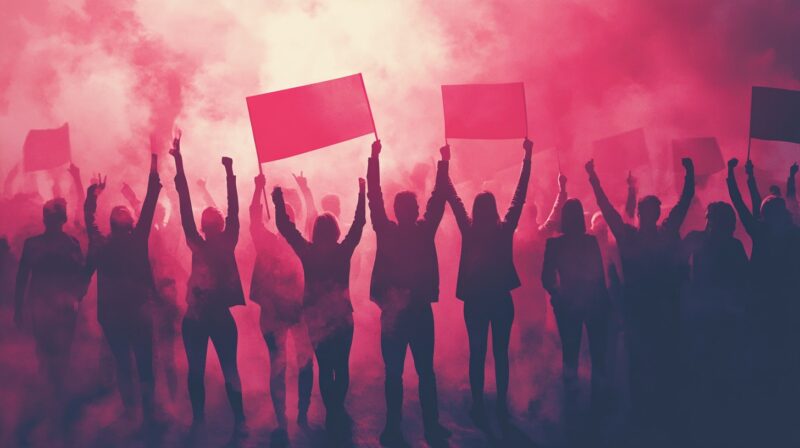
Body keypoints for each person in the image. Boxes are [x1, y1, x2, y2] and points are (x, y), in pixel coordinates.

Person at [586, 157, 694, 441]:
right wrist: (689, 174)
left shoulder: (632, 236)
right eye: (654, 209)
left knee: (644, 360)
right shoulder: (660, 233)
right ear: (655, 213)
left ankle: (643, 411)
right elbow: (683, 204)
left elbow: (608, 211)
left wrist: (593, 178)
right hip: (656, 307)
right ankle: (654, 412)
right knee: (656, 358)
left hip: (644, 307)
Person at [366, 139, 452, 446]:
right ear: (415, 210)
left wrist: (373, 159)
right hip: (417, 311)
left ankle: (393, 427)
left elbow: (373, 198)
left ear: (396, 210)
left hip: (394, 313)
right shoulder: (423, 229)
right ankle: (431, 426)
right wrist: (443, 164)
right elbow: (439, 199)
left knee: (394, 373)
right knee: (425, 372)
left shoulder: (386, 231)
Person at [446, 139, 532, 426]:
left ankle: (478, 405)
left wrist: (444, 166)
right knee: (501, 353)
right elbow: (519, 198)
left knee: (477, 353)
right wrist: (527, 160)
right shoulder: (504, 229)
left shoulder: (470, 231)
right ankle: (501, 406)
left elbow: (455, 202)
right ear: (494, 209)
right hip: (500, 300)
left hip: (475, 301)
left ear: (476, 209)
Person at [272, 177, 365, 435]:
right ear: (335, 230)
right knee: (341, 365)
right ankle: (337, 408)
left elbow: (285, 227)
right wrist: (362, 192)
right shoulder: (343, 250)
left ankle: (332, 412)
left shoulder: (308, 251)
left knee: (325, 367)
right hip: (343, 317)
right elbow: (359, 225)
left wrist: (277, 198)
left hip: (316, 319)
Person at [170, 134, 248, 438]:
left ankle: (206, 420)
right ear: (216, 223)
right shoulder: (225, 241)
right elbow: (227, 209)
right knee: (223, 368)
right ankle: (233, 419)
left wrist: (179, 160)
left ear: (204, 225)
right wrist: (228, 173)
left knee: (200, 370)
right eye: (213, 214)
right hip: (207, 316)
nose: (212, 214)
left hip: (199, 316)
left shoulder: (203, 243)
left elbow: (186, 204)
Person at [84, 154, 162, 427]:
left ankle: (139, 412)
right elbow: (151, 201)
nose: (123, 211)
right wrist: (154, 161)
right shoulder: (131, 240)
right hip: (131, 313)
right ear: (129, 222)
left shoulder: (104, 243)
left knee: (129, 365)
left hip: (117, 314)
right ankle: (141, 412)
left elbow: (89, 219)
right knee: (139, 364)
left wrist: (92, 195)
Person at [726, 158, 800, 445]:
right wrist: (740, 177)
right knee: (782, 351)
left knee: (767, 351)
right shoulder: (793, 235)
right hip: (784, 303)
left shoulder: (764, 231)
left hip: (767, 303)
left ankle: (768, 400)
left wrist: (734, 176)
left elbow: (742, 206)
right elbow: (747, 205)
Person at [250, 173, 313, 439]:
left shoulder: (300, 243)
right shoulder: (270, 242)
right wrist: (257, 190)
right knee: (284, 365)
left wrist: (305, 190)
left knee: (300, 363)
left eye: (287, 214)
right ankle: (286, 418)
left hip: (297, 312)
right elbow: (253, 219)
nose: (286, 218)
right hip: (279, 313)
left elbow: (313, 216)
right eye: (282, 215)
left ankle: (297, 415)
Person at [681, 201, 749, 446]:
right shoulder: (698, 239)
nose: (710, 223)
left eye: (714, 219)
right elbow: (676, 264)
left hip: (722, 315)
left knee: (718, 368)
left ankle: (717, 420)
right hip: (704, 314)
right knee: (704, 368)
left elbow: (744, 279)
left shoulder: (731, 245)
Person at [541, 198, 610, 436]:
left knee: (571, 355)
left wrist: (558, 295)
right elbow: (599, 276)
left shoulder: (555, 245)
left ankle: (574, 406)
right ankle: (596, 406)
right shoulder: (588, 242)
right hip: (589, 303)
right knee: (596, 354)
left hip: (573, 304)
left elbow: (546, 278)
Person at [14, 197, 87, 408]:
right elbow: (22, 278)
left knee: (53, 351)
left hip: (59, 307)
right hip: (52, 307)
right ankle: (53, 393)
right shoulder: (67, 245)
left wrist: (19, 309)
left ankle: (53, 394)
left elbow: (22, 279)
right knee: (52, 351)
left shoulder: (44, 244)